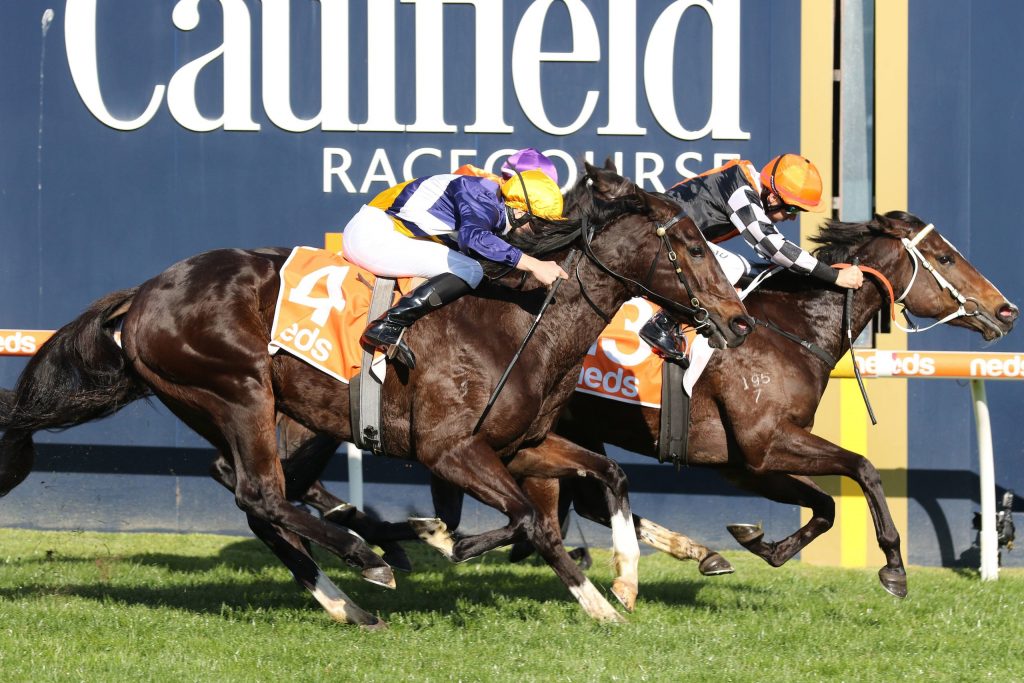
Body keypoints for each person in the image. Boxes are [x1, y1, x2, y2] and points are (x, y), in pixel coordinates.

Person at [638, 153, 864, 361]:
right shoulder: (740, 192)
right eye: (793, 210)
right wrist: (834, 276)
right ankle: (662, 323)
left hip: (666, 240)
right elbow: (773, 246)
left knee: (751, 270)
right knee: (734, 267)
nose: (793, 218)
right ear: (773, 198)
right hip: (652, 239)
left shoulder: (743, 186)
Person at [341, 168, 568, 369]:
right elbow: (474, 238)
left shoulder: (491, 200)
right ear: (519, 212)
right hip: (371, 236)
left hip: (385, 233)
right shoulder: (480, 196)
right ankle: (389, 324)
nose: (539, 233)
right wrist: (534, 264)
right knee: (471, 270)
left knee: (472, 269)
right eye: (539, 224)